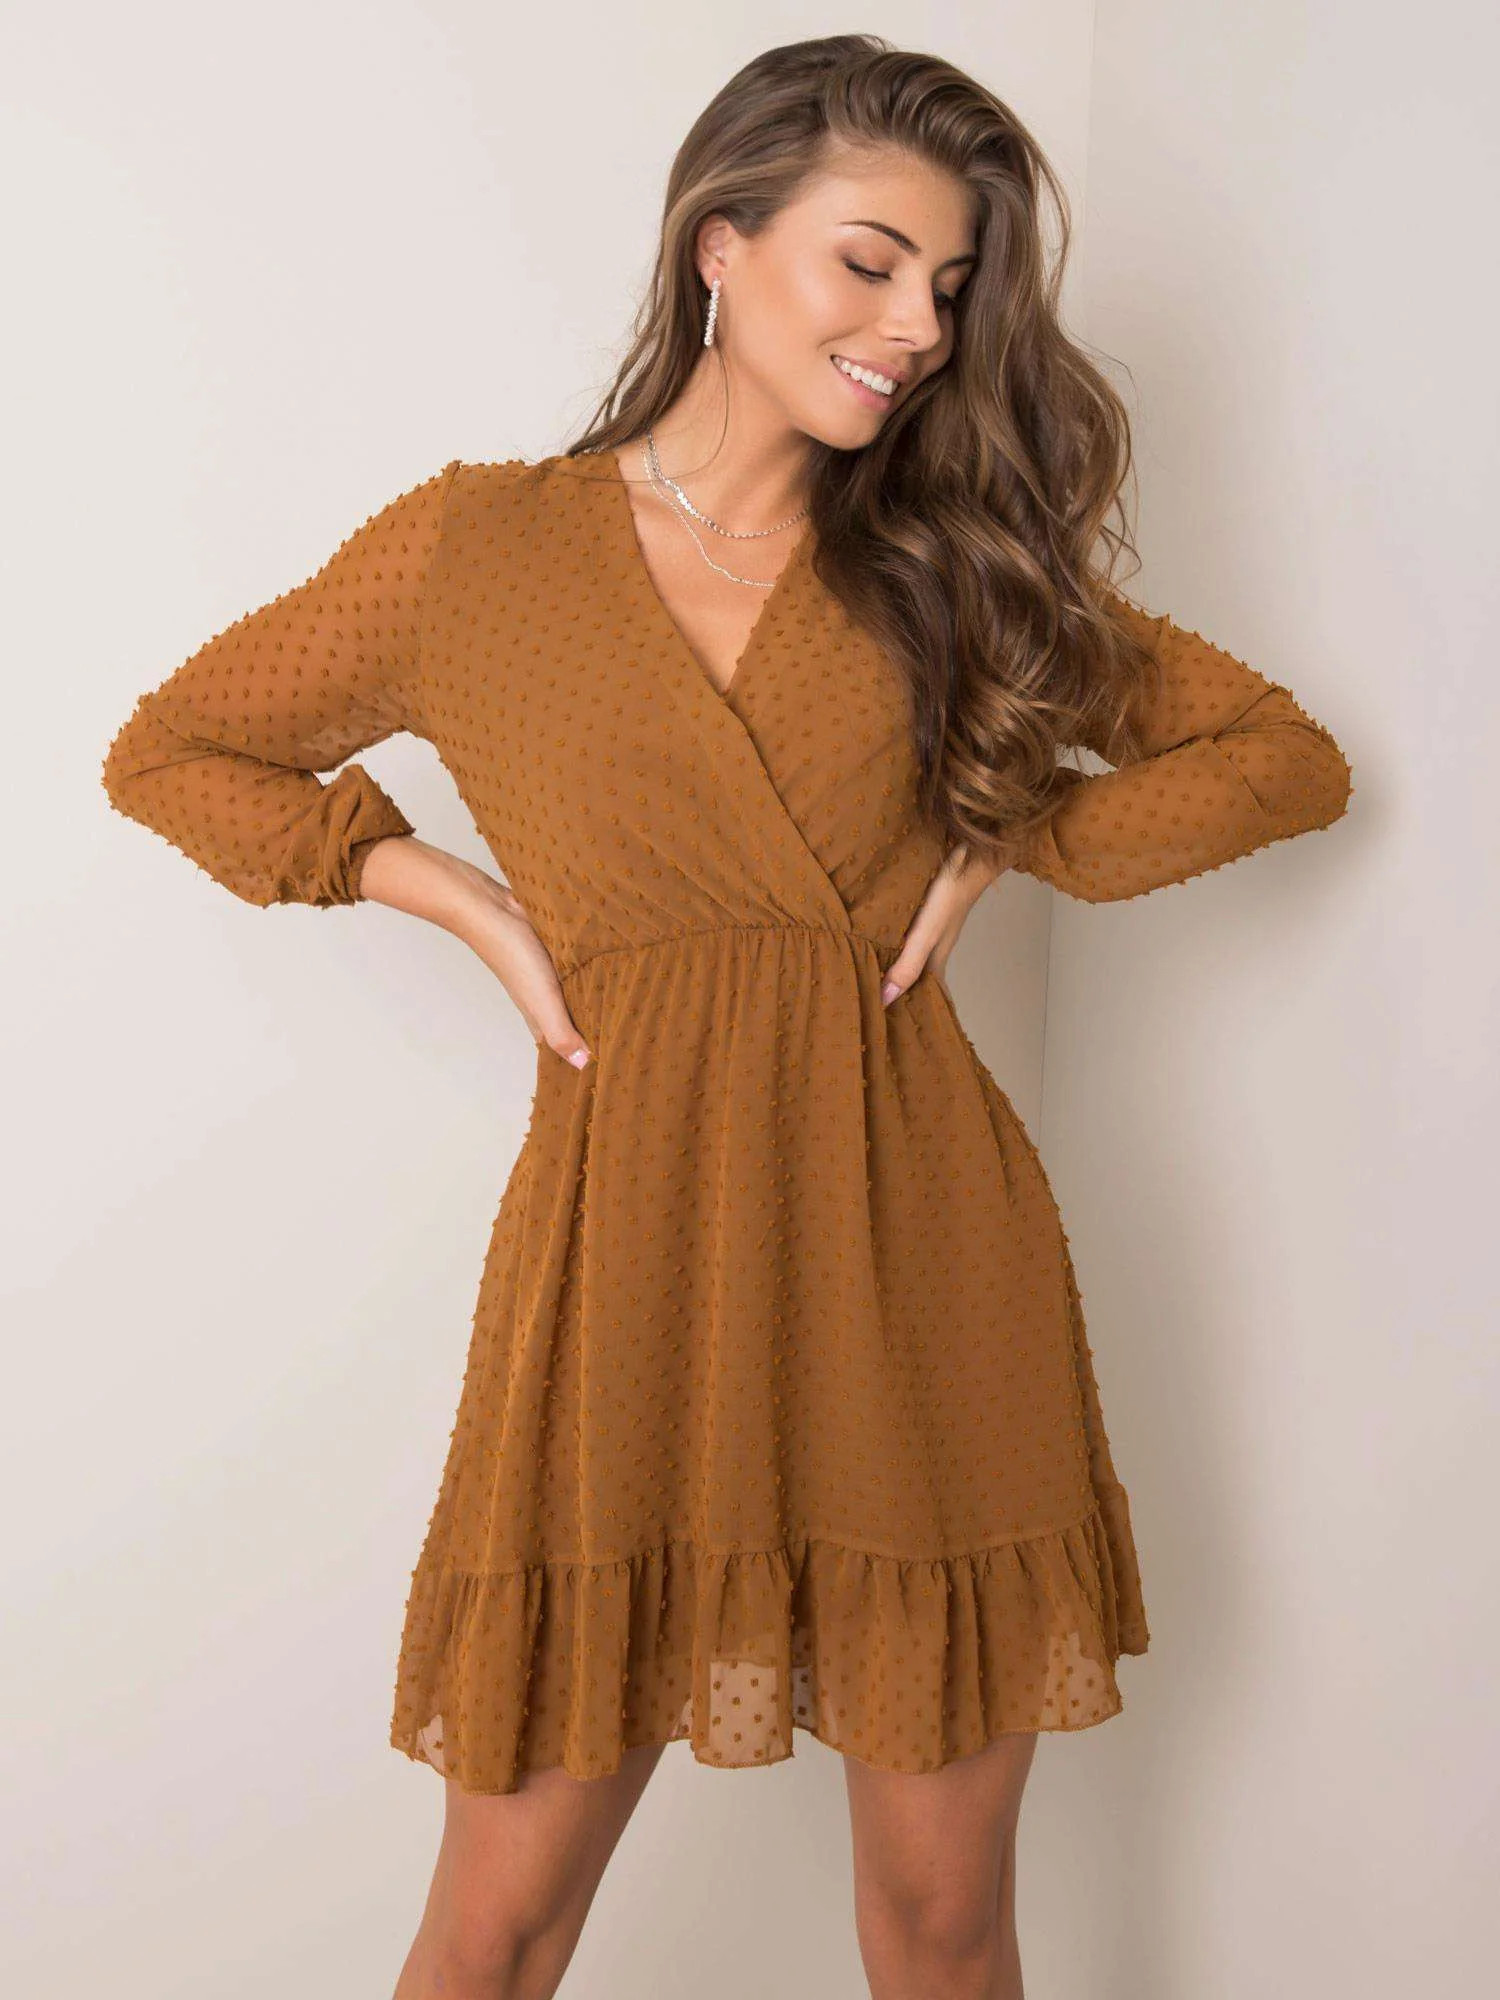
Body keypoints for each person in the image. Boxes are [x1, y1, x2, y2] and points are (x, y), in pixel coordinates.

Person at [99, 32, 1354, 2000]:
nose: (918, 326)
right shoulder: (475, 549)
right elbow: (173, 752)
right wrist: (454, 897)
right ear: (721, 244)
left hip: (919, 1267)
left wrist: (1023, 833)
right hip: (626, 1275)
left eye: (950, 285)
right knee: (494, 1934)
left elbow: (1283, 758)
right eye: (870, 261)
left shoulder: (951, 569)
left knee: (940, 1929)